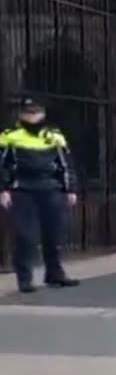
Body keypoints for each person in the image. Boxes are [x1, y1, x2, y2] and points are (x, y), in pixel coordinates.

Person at [0, 98, 79, 293]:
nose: (32, 116)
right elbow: (2, 166)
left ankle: (54, 274)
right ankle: (25, 279)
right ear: (21, 115)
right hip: (22, 190)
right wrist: (3, 189)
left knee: (54, 234)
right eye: (28, 113)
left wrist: (70, 189)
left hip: (51, 189)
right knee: (25, 236)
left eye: (35, 112)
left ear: (43, 114)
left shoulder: (54, 135)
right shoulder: (9, 136)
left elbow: (65, 164)